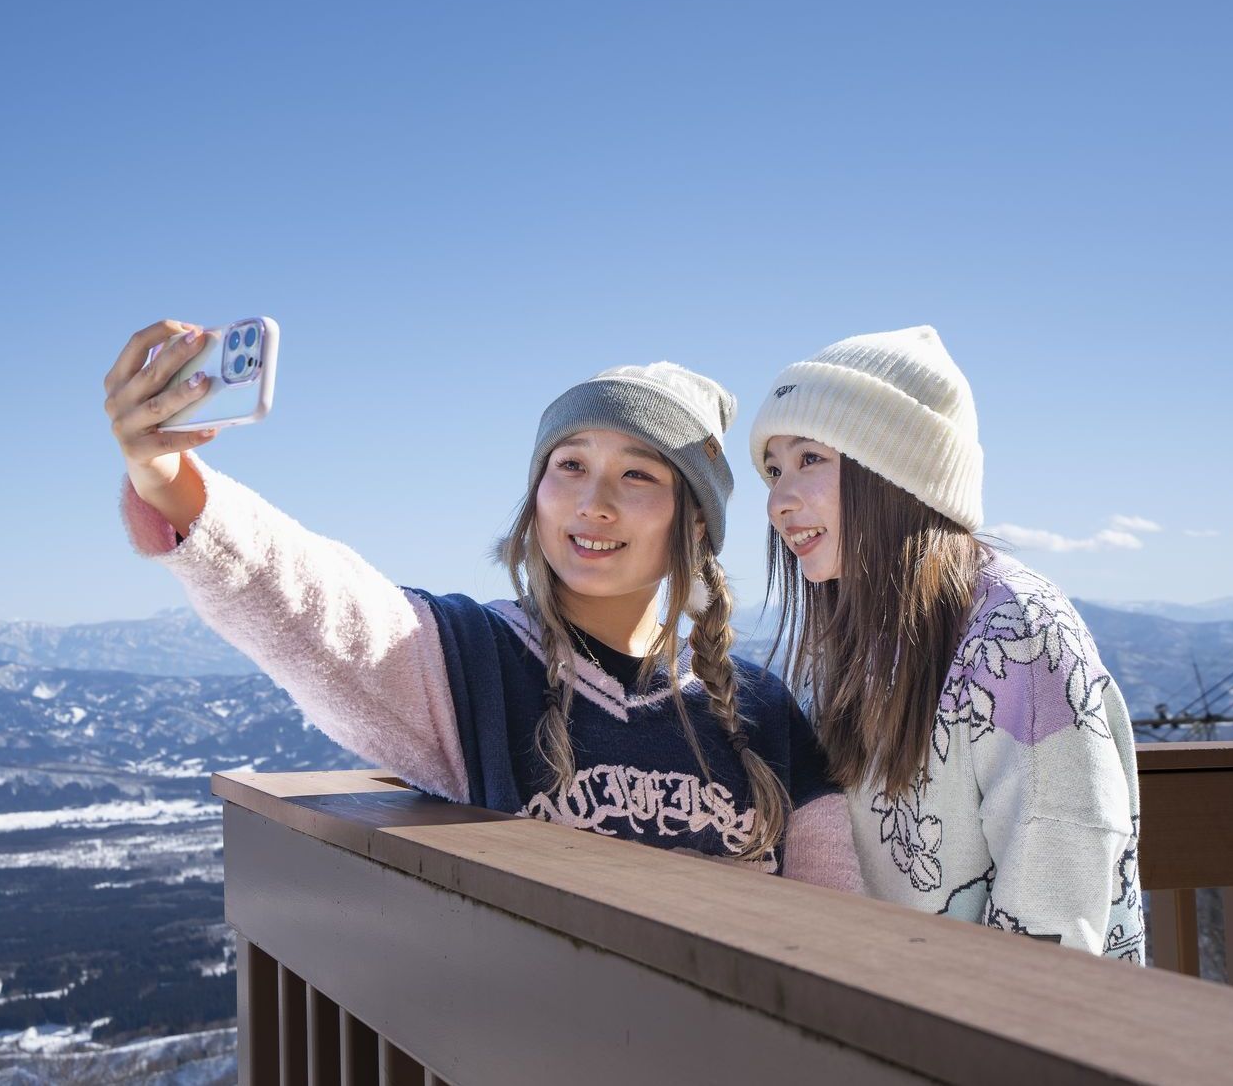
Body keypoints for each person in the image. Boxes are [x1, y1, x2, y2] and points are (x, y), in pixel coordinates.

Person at [106, 320, 859, 884]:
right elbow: (320, 607)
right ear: (536, 495)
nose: (592, 502)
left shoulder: (762, 714)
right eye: (571, 465)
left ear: (693, 524)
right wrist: (169, 479)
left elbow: (838, 928)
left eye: (638, 476)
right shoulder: (478, 662)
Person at [750, 324, 1143, 959]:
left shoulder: (1017, 633)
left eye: (810, 458)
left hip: (994, 1037)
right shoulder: (861, 638)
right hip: (885, 1017)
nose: (777, 501)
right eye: (773, 469)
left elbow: (1059, 892)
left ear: (897, 470)